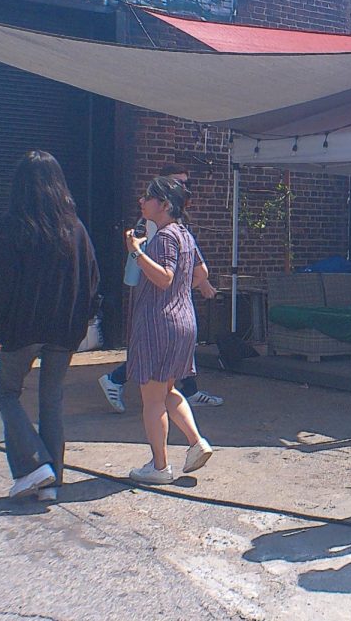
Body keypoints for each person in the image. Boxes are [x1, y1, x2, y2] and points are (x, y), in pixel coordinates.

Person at [0, 151, 100, 501]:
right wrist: (84, 319)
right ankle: (53, 480)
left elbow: (0, 284)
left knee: (6, 393)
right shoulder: (75, 228)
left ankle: (35, 465)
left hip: (23, 327)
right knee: (51, 400)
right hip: (64, 329)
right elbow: (92, 280)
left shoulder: (11, 227)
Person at [99, 161, 222, 412]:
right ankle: (117, 380)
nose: (185, 188)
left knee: (166, 358)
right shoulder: (159, 224)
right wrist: (189, 283)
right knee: (154, 359)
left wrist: (195, 281)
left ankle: (188, 395)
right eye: (180, 183)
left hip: (166, 302)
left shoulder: (175, 225)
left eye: (187, 183)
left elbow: (191, 265)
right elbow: (164, 269)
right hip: (156, 300)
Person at [125, 177, 214, 483]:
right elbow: (202, 272)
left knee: (151, 398)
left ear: (164, 205)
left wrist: (136, 251)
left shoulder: (163, 238)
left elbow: (163, 277)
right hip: (184, 320)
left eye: (148, 197)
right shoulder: (185, 235)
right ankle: (196, 442)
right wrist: (179, 292)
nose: (142, 201)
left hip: (158, 323)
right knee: (167, 390)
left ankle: (160, 466)